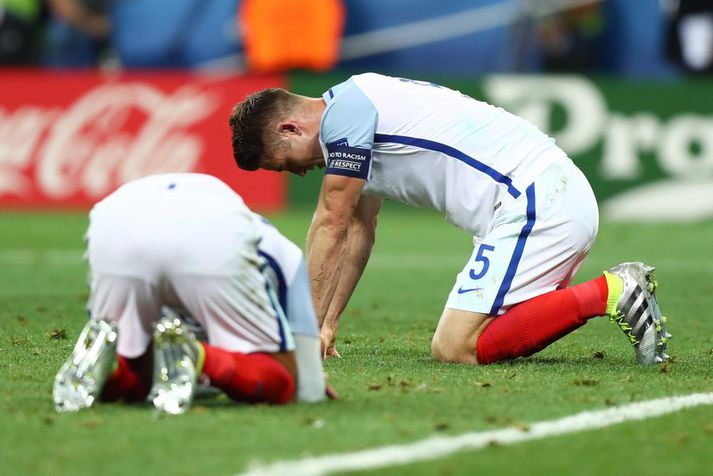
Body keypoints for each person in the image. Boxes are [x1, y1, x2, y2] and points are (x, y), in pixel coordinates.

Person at [229, 72, 671, 367]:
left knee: (455, 346)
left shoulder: (346, 117)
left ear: (290, 128)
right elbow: (360, 227)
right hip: (544, 197)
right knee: (483, 334)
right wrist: (326, 324)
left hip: (537, 201)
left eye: (284, 163)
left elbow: (332, 222)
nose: (298, 173)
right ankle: (607, 294)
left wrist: (303, 337)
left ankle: (612, 291)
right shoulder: (354, 105)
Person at [53, 173, 329, 415]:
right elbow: (308, 387)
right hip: (214, 235)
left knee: (133, 355)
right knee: (282, 381)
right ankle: (196, 355)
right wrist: (302, 375)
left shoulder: (195, 203)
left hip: (114, 221)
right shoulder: (281, 249)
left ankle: (109, 371)